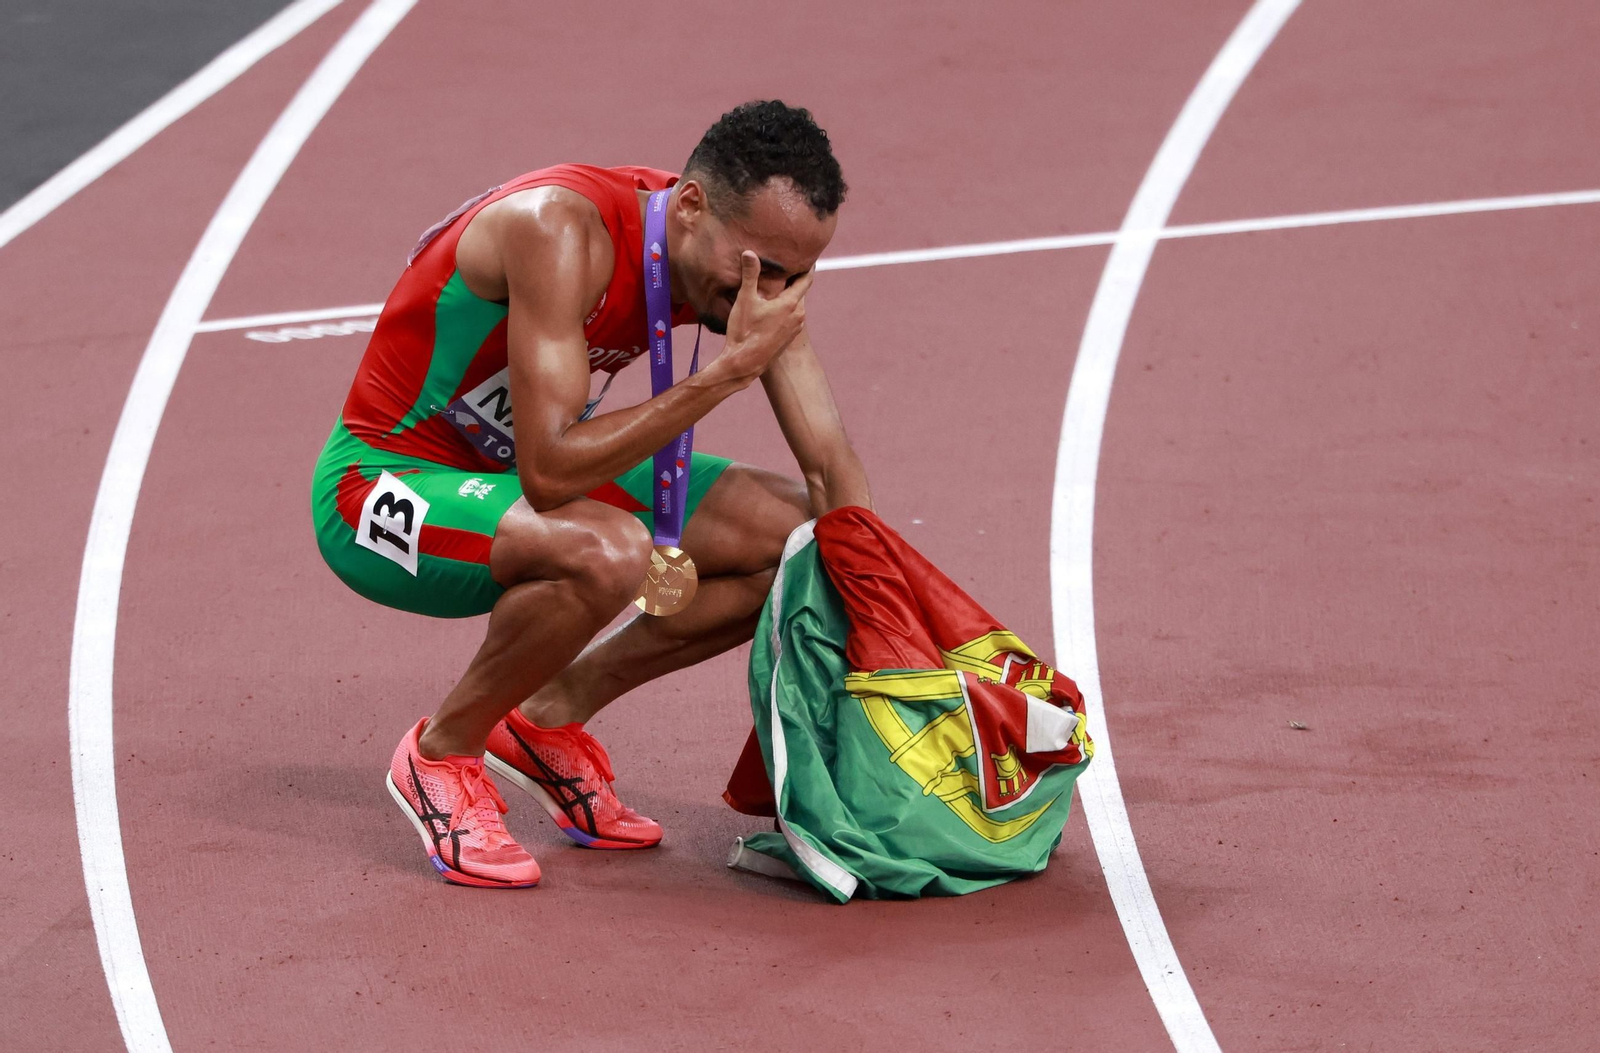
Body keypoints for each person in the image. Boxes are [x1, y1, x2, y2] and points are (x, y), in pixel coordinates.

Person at [310, 100, 872, 887]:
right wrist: (723, 376)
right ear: (690, 207)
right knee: (609, 551)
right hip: (385, 481)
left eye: (799, 274)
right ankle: (440, 752)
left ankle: (542, 719)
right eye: (762, 269)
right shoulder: (559, 231)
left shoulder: (736, 258)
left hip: (518, 478)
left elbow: (831, 477)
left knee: (800, 537)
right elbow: (551, 474)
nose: (773, 292)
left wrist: (900, 624)